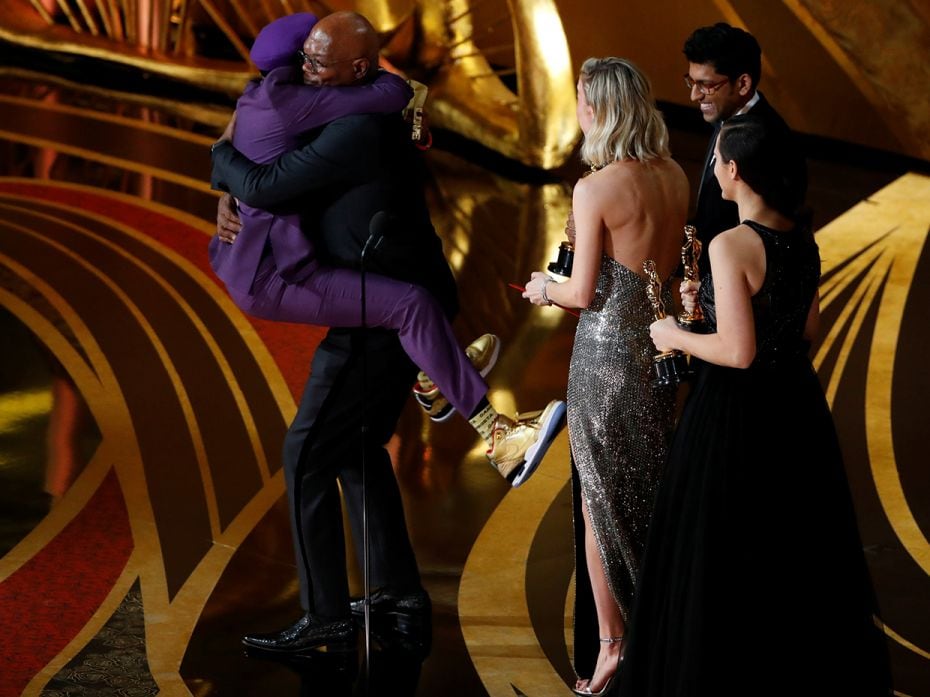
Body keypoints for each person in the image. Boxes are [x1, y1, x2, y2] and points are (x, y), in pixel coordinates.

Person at [210, 11, 565, 654]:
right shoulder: (345, 102)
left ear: (357, 69)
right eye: (306, 61)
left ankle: (326, 618)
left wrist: (222, 162)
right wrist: (227, 178)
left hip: (378, 311)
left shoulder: (352, 128)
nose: (308, 72)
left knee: (308, 454)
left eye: (321, 63)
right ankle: (399, 596)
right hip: (391, 292)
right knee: (358, 450)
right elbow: (272, 112)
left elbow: (265, 180)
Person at [619, 113, 893, 696]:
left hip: (733, 418)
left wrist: (674, 333)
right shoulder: (801, 236)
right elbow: (805, 328)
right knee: (794, 554)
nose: (712, 166)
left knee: (723, 554)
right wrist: (712, 304)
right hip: (794, 410)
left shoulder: (730, 243)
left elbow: (738, 352)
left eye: (717, 159)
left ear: (734, 171)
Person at [521, 57, 688, 696]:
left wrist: (543, 287)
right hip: (658, 348)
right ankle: (662, 627)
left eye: (584, 102)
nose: (579, 112)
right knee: (647, 490)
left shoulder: (595, 189)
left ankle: (614, 645)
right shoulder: (673, 174)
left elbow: (582, 290)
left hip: (603, 358)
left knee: (600, 500)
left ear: (601, 110)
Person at [683, 22, 806, 275]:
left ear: (743, 84)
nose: (695, 95)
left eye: (706, 85)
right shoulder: (724, 118)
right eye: (691, 82)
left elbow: (775, 239)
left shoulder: (775, 144)